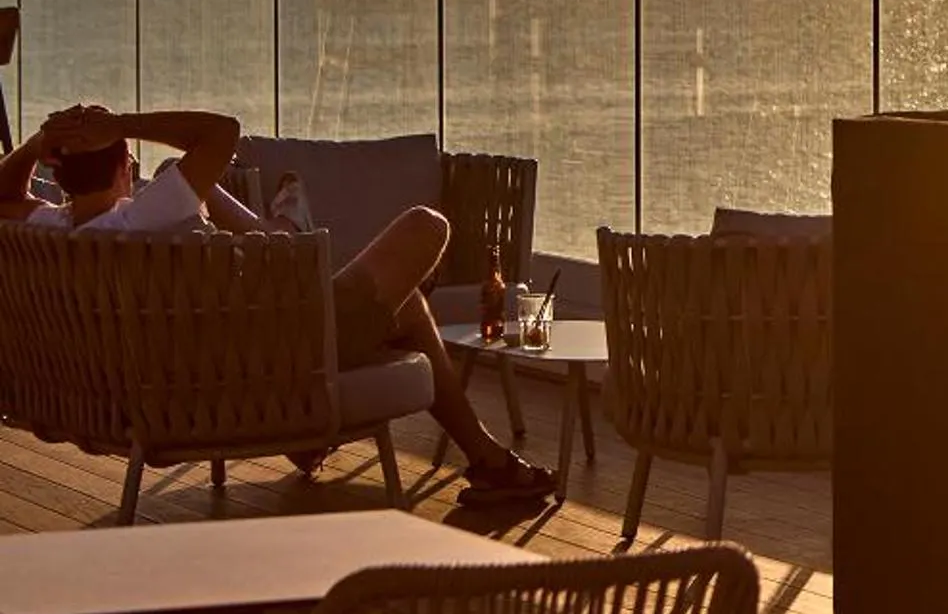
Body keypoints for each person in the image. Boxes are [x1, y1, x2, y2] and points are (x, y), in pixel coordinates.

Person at [0, 103, 556, 505]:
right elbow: (221, 131)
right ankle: (484, 458)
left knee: (405, 305)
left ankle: (486, 458)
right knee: (426, 226)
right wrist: (122, 123)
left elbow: (3, 194)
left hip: (189, 371)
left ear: (56, 172)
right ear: (125, 165)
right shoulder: (146, 215)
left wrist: (32, 144)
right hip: (274, 356)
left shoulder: (53, 229)